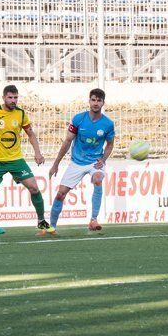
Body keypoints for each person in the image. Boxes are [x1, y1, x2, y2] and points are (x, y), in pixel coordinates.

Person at [0, 85, 47, 239]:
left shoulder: (21, 114)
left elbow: (30, 133)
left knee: (34, 188)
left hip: (16, 160)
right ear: (3, 97)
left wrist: (38, 152)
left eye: (16, 97)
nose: (13, 100)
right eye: (10, 97)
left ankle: (41, 220)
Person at [46, 88, 115, 236]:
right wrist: (56, 164)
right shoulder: (78, 119)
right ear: (89, 101)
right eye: (93, 100)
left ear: (103, 103)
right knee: (60, 194)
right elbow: (67, 141)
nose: (96, 103)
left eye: (99, 100)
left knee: (98, 179)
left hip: (95, 162)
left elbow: (109, 145)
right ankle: (51, 227)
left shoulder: (108, 124)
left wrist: (103, 160)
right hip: (77, 162)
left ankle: (93, 220)